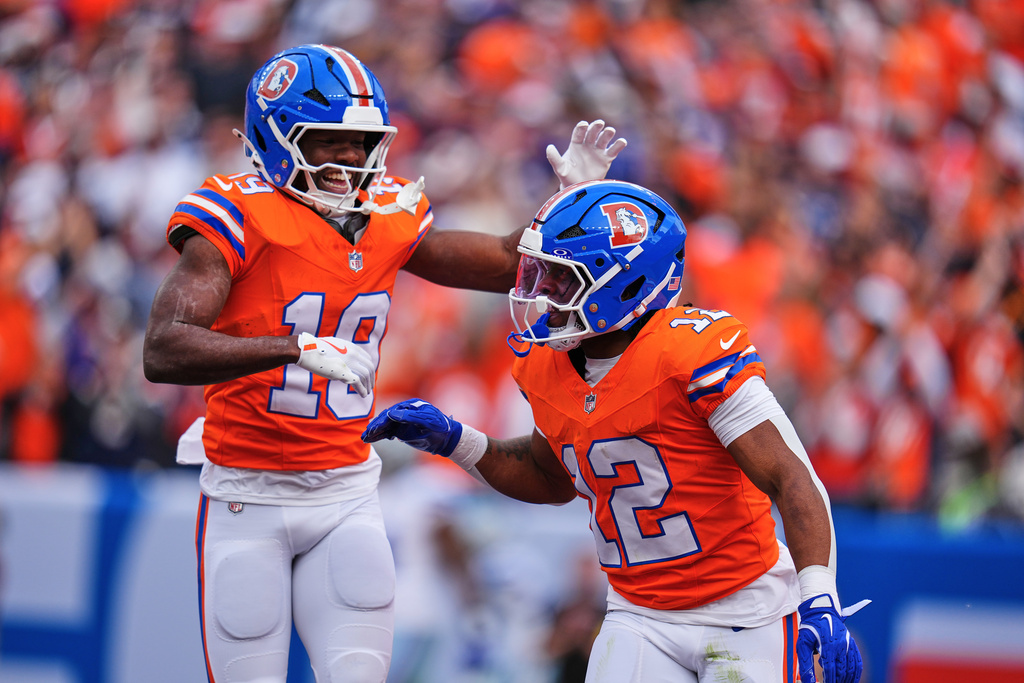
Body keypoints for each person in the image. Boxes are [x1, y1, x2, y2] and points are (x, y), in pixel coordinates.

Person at [142, 43, 626, 683]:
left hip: (346, 490)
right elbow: (164, 346)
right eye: (326, 142)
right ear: (276, 138)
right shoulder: (239, 213)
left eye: (359, 142)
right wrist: (293, 348)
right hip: (244, 494)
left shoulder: (387, 215)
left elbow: (508, 261)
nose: (347, 159)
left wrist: (571, 203)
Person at [363, 180, 869, 683]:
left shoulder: (691, 353)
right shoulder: (547, 364)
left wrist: (820, 597)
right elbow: (549, 476)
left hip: (744, 608)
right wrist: (455, 440)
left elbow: (792, 477)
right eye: (546, 275)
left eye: (562, 279)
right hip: (638, 613)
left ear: (621, 284)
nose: (543, 294)